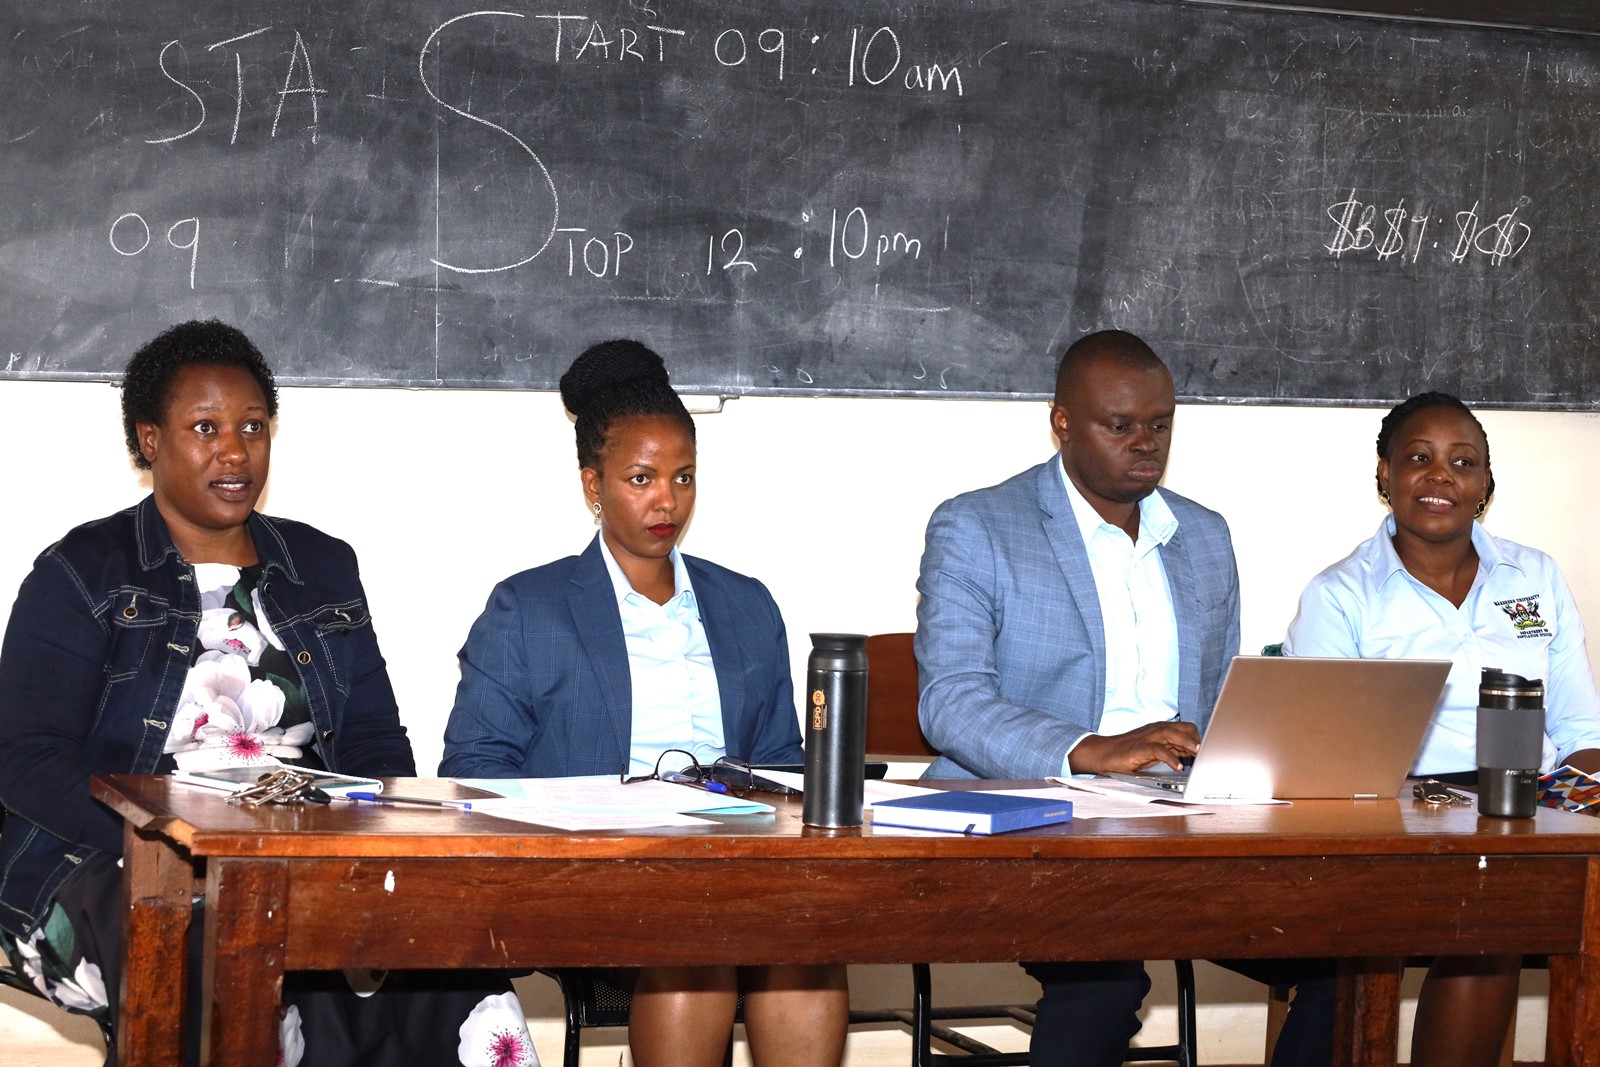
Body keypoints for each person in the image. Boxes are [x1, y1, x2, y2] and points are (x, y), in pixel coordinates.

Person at [0, 320, 533, 1067]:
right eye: (205, 427)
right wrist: (171, 837)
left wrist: (365, 838)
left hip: (297, 847)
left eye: (253, 426)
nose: (235, 449)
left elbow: (377, 741)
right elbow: (26, 759)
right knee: (205, 940)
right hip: (114, 855)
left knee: (444, 950)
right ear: (150, 439)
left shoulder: (322, 566)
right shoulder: (84, 570)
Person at [914, 329, 1331, 1067]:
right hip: (1028, 825)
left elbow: (1214, 705)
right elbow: (949, 702)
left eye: (1161, 424)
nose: (1147, 443)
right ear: (1062, 422)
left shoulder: (1202, 535)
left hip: (1175, 832)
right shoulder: (977, 525)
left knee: (1351, 955)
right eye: (1121, 425)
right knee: (1106, 973)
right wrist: (1090, 750)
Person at [440, 339, 848, 1067]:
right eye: (641, 478)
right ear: (592, 485)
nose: (668, 500)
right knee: (701, 949)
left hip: (742, 865)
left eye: (684, 476)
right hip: (599, 871)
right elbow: (473, 770)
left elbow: (785, 761)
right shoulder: (528, 607)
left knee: (804, 956)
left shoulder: (746, 604)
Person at [1282, 390, 1600, 1067]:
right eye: (1418, 458)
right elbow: (1326, 757)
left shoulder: (1535, 575)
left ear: (1486, 484)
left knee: (1513, 877)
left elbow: (1580, 725)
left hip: (1533, 801)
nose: (1440, 476)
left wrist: (1584, 795)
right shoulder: (1342, 593)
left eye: (1463, 461)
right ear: (1384, 474)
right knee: (1493, 904)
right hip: (1402, 810)